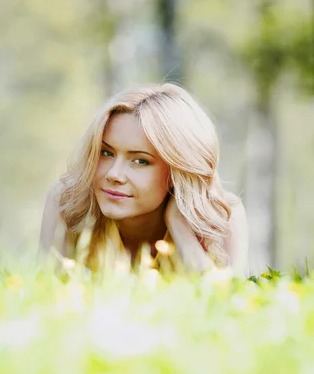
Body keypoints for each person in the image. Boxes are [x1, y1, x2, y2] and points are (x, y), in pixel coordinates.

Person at [39, 82, 249, 278]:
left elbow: (229, 306)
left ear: (178, 169)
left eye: (140, 161)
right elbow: (48, 299)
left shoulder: (221, 216)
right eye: (106, 153)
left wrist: (179, 226)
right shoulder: (69, 203)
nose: (114, 174)